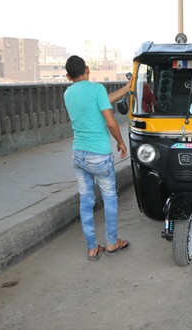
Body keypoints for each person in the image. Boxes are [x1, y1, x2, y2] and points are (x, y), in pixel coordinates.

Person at [64, 55, 131, 260]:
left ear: (68, 76)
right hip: (99, 155)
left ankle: (92, 248)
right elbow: (110, 122)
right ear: (88, 69)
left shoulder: (68, 93)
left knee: (86, 201)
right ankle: (112, 243)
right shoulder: (97, 90)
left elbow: (99, 100)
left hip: (78, 155)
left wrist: (127, 88)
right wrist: (120, 141)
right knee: (109, 197)